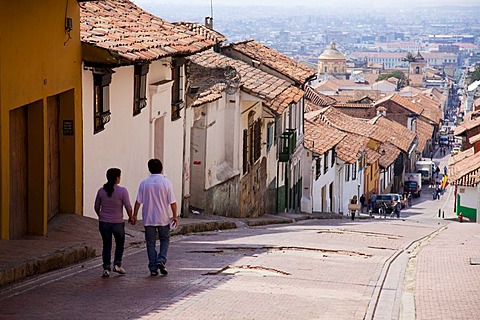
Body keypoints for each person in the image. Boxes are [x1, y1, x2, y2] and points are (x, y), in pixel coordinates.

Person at [133, 159, 178, 276]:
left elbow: (138, 201)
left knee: (150, 242)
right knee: (165, 239)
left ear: (149, 169)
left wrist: (134, 215)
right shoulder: (166, 183)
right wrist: (174, 216)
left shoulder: (144, 183)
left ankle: (153, 267)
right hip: (163, 218)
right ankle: (161, 259)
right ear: (161, 168)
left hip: (148, 218)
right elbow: (172, 202)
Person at [94, 168, 133, 277]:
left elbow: (96, 207)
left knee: (106, 245)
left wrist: (100, 216)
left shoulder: (101, 191)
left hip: (104, 223)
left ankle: (106, 268)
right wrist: (131, 217)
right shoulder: (122, 191)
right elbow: (128, 206)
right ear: (117, 178)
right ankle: (117, 264)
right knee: (119, 243)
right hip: (118, 223)